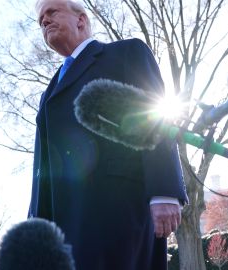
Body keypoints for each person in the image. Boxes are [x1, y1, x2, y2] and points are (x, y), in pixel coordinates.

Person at [28, 0, 188, 269]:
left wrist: (164, 190)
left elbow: (155, 116)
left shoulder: (126, 53)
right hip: (66, 228)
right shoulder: (49, 93)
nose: (44, 21)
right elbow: (42, 166)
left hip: (120, 211)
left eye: (52, 12)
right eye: (40, 19)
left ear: (80, 20)